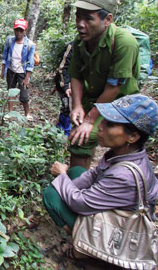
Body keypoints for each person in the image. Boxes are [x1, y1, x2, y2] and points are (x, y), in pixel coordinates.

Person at [43, 94, 158, 260]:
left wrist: (61, 176)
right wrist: (67, 182)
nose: (100, 127)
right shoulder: (126, 153)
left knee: (52, 196)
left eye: (110, 124)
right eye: (103, 120)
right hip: (113, 209)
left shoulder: (124, 176)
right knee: (76, 172)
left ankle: (85, 249)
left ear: (132, 136)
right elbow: (92, 175)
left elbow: (80, 203)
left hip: (121, 230)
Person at [68, 0, 140, 169]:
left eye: (88, 19)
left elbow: (113, 88)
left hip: (121, 104)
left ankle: (119, 181)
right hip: (92, 97)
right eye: (78, 16)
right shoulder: (79, 42)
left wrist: (90, 121)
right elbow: (76, 75)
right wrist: (77, 105)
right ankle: (77, 186)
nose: (80, 24)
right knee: (78, 137)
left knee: (97, 136)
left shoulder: (124, 43)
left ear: (107, 20)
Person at [0, 18, 36, 120]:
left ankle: (27, 114)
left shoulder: (30, 45)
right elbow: (5, 56)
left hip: (22, 72)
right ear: (14, 30)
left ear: (25, 31)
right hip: (11, 70)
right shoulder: (10, 40)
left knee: (24, 95)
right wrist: (3, 71)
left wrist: (27, 78)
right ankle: (10, 112)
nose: (19, 32)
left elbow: (30, 63)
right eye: (17, 30)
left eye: (21, 30)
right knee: (11, 91)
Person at [54, 42, 73, 136]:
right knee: (67, 107)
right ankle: (62, 133)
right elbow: (62, 68)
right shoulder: (73, 46)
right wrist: (66, 86)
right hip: (66, 83)